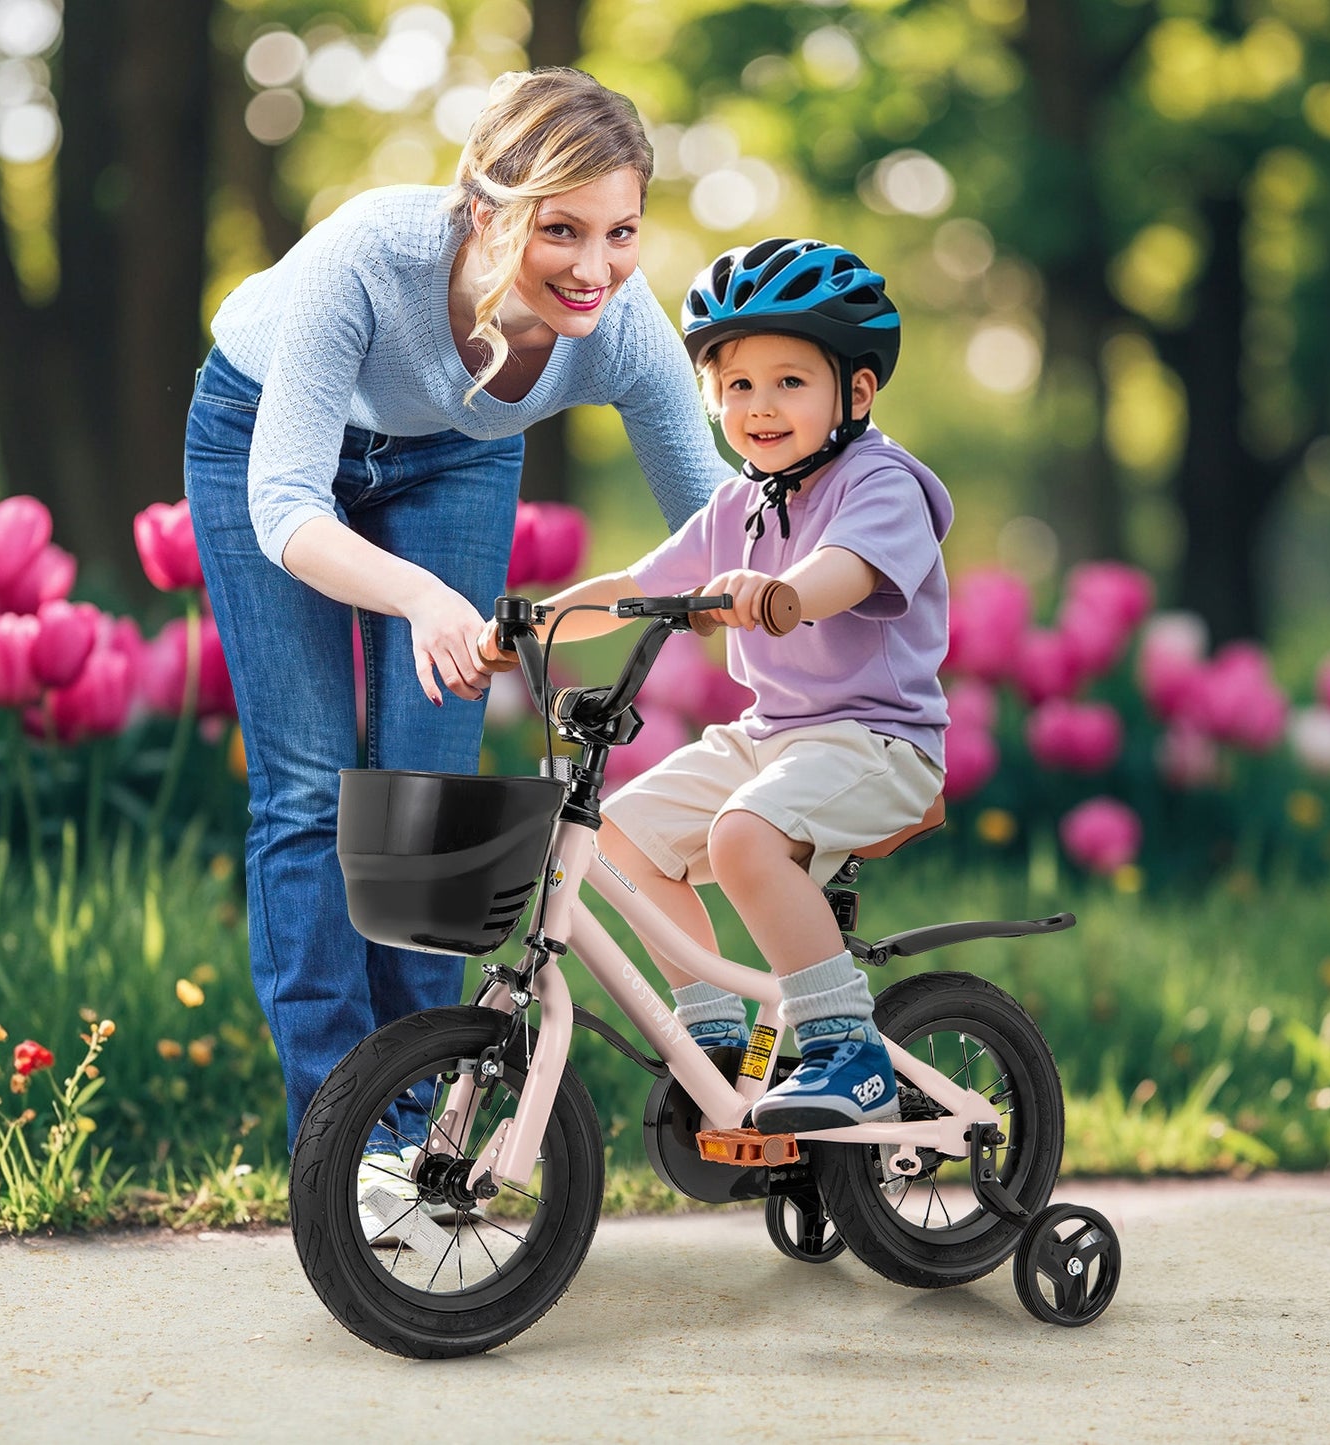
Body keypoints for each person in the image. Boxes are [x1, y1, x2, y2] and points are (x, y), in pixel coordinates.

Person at [183, 67, 727, 1169]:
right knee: (309, 787)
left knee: (426, 799)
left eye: (619, 231)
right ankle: (341, 1144)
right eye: (560, 228)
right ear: (487, 209)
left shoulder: (616, 329)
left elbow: (719, 517)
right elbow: (285, 505)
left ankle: (418, 1122)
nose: (593, 267)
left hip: (456, 458)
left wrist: (850, 580)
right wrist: (422, 596)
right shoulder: (368, 257)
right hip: (265, 433)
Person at [482, 237, 953, 1132]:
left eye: (789, 381)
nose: (760, 406)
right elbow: (637, 585)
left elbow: (846, 570)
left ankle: (845, 1049)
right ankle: (715, 1044)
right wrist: (539, 621)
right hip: (774, 736)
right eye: (737, 384)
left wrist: (782, 595)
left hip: (880, 742)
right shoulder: (739, 503)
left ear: (854, 392)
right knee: (619, 837)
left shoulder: (879, 481)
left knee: (742, 836)